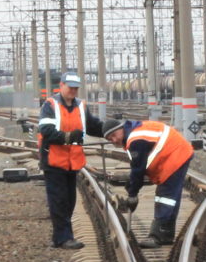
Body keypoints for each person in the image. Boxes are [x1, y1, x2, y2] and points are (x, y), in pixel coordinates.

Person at [101, 117, 194, 247]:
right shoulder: (134, 132)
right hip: (177, 152)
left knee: (165, 196)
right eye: (110, 139)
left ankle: (157, 236)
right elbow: (140, 167)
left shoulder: (136, 140)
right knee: (170, 195)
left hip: (175, 155)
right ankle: (166, 234)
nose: (114, 140)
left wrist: (133, 194)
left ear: (121, 129)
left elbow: (138, 169)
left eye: (114, 135)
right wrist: (132, 187)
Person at [36, 73, 103, 248]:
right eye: (70, 87)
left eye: (75, 87)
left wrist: (114, 130)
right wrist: (68, 137)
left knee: (70, 200)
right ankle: (64, 238)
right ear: (61, 85)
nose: (73, 90)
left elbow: (93, 126)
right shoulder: (50, 105)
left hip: (72, 162)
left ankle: (60, 236)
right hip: (53, 160)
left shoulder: (81, 106)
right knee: (59, 200)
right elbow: (46, 131)